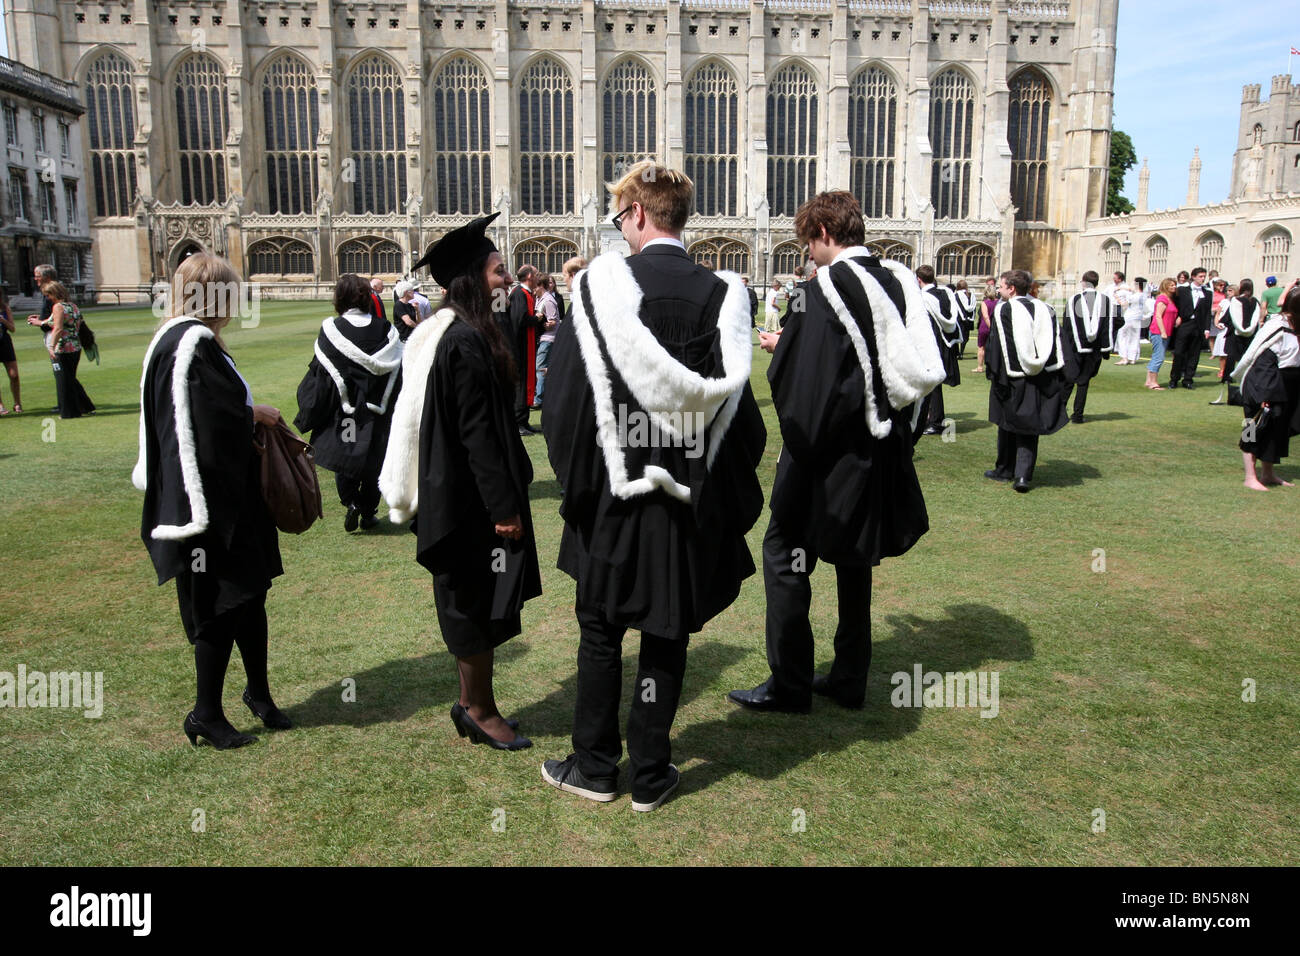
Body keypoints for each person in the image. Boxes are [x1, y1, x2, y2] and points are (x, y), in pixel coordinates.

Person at [541, 160, 765, 811]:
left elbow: (565, 408)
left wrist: (580, 491)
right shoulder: (725, 297)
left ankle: (595, 767)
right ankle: (652, 773)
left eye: (620, 216)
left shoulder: (600, 291)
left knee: (601, 631)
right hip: (688, 499)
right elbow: (741, 420)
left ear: (638, 213)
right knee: (666, 630)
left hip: (612, 494)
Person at [728, 190, 942, 715]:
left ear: (823, 233)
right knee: (853, 559)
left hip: (826, 453)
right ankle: (850, 676)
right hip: (882, 445)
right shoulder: (895, 280)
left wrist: (787, 353)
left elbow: (812, 388)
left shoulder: (824, 291)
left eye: (808, 241)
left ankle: (790, 681)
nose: (808, 253)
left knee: (783, 554)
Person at [381, 212, 541, 750]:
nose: (506, 280)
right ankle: (478, 709)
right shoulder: (464, 342)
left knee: (474, 599)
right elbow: (478, 437)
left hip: (459, 496)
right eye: (498, 271)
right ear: (473, 279)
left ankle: (474, 703)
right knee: (473, 603)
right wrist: (504, 508)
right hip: (469, 503)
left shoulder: (457, 333)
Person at [132, 252, 289, 750]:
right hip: (211, 508)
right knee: (219, 607)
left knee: (251, 595)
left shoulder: (183, 340)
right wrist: (253, 415)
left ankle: (259, 694)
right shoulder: (191, 343)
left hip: (229, 500)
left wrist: (245, 413)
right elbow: (209, 426)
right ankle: (206, 713)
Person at [294, 274, 403, 532]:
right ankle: (368, 512)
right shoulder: (385, 329)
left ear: (339, 298)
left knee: (346, 456)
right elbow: (397, 372)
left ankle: (350, 502)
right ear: (368, 298)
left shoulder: (333, 330)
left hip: (344, 411)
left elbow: (320, 374)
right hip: (377, 408)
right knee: (375, 459)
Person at [984, 269, 1067, 492]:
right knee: (1030, 427)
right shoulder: (1046, 308)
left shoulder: (1004, 310)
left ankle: (1004, 469)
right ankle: (1023, 476)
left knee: (1006, 423)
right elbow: (1057, 343)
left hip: (1010, 378)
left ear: (1011, 288)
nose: (998, 289)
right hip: (1041, 377)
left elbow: (997, 348)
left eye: (1001, 286)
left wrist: (994, 374)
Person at [1233, 283, 1300, 490]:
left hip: (1287, 384)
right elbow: (1262, 360)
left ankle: (1268, 473)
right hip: (1263, 383)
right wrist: (1265, 393)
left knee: (1276, 430)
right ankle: (1250, 477)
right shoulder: (1276, 326)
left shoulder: (1297, 325)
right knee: (1252, 428)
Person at [1060, 270, 1119, 424]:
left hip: (1075, 347)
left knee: (1068, 380)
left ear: (1084, 282)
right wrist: (1104, 342)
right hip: (1095, 349)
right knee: (1083, 382)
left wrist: (1066, 345)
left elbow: (1066, 325)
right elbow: (1118, 321)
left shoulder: (1074, 300)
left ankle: (1060, 413)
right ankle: (1078, 416)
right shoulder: (1106, 301)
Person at [33, 279, 94, 419]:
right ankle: (83, 407)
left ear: (54, 293)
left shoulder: (58, 307)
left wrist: (51, 346)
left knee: (63, 381)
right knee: (70, 379)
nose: (47, 298)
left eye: (48, 295)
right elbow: (55, 322)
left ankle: (69, 412)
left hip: (63, 348)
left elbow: (58, 328)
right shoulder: (73, 306)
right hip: (75, 347)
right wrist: (39, 321)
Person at [917, 264, 961, 436]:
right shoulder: (945, 293)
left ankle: (934, 422)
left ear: (919, 279)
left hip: (931, 344)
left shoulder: (923, 298)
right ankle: (934, 418)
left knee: (932, 385)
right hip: (946, 344)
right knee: (934, 385)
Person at [507, 264, 541, 433]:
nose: (538, 277)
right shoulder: (519, 294)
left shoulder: (525, 293)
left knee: (528, 381)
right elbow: (520, 320)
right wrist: (537, 318)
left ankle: (524, 420)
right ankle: (518, 422)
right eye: (536, 274)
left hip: (526, 346)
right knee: (521, 383)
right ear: (528, 276)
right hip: (520, 347)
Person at [1221, 278, 1263, 407]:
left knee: (1231, 356)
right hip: (1250, 334)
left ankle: (1228, 377)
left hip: (1237, 333)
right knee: (1248, 357)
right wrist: (1249, 330)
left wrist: (1241, 329)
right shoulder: (1255, 301)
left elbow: (1234, 316)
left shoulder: (1236, 300)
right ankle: (1247, 378)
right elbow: (1257, 317)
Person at [1170, 267, 1211, 389]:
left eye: (1204, 276)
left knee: (1194, 354)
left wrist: (1207, 328)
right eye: (1200, 276)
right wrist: (1177, 317)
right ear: (1193, 277)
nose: (1203, 279)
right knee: (1178, 353)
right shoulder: (1182, 290)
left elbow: (1207, 312)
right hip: (1185, 323)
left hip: (1198, 325)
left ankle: (1188, 379)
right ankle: (1174, 379)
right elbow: (1174, 304)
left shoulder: (1207, 293)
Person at [533, 273, 560, 409]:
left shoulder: (548, 300)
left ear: (541, 286)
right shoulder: (540, 298)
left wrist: (539, 320)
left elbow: (553, 322)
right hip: (542, 338)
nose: (533, 289)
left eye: (535, 287)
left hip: (548, 339)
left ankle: (539, 399)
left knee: (541, 368)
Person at [1145, 278, 1177, 390]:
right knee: (1159, 357)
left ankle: (1149, 380)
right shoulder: (1163, 299)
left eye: (1174, 285)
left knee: (1156, 356)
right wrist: (1162, 331)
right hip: (1158, 331)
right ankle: (1153, 382)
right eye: (1171, 285)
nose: (1174, 287)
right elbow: (1158, 316)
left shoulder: (1170, 299)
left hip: (1166, 331)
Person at [1115, 277, 1148, 365]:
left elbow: (1123, 304)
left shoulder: (1134, 296)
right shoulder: (1144, 295)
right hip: (1137, 318)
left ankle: (1124, 358)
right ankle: (1132, 358)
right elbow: (1130, 289)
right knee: (1134, 337)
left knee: (1122, 335)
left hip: (1129, 317)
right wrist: (1122, 288)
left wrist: (1117, 297)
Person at [0, 290, 21, 415]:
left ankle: (17, 403)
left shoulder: (5, 308)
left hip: (5, 343)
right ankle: (1, 406)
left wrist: (3, 321)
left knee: (14, 375)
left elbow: (13, 328)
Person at [975, 280, 998, 373]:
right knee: (994, 348)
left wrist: (990, 326)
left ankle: (980, 367)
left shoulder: (985, 302)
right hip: (995, 326)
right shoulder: (999, 302)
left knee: (981, 347)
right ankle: (994, 367)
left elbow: (985, 316)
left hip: (985, 327)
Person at [954, 279, 976, 358]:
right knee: (965, 337)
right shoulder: (971, 295)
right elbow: (973, 308)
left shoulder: (956, 295)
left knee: (957, 336)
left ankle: (957, 353)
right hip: (969, 319)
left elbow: (956, 307)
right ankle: (961, 352)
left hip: (959, 318)